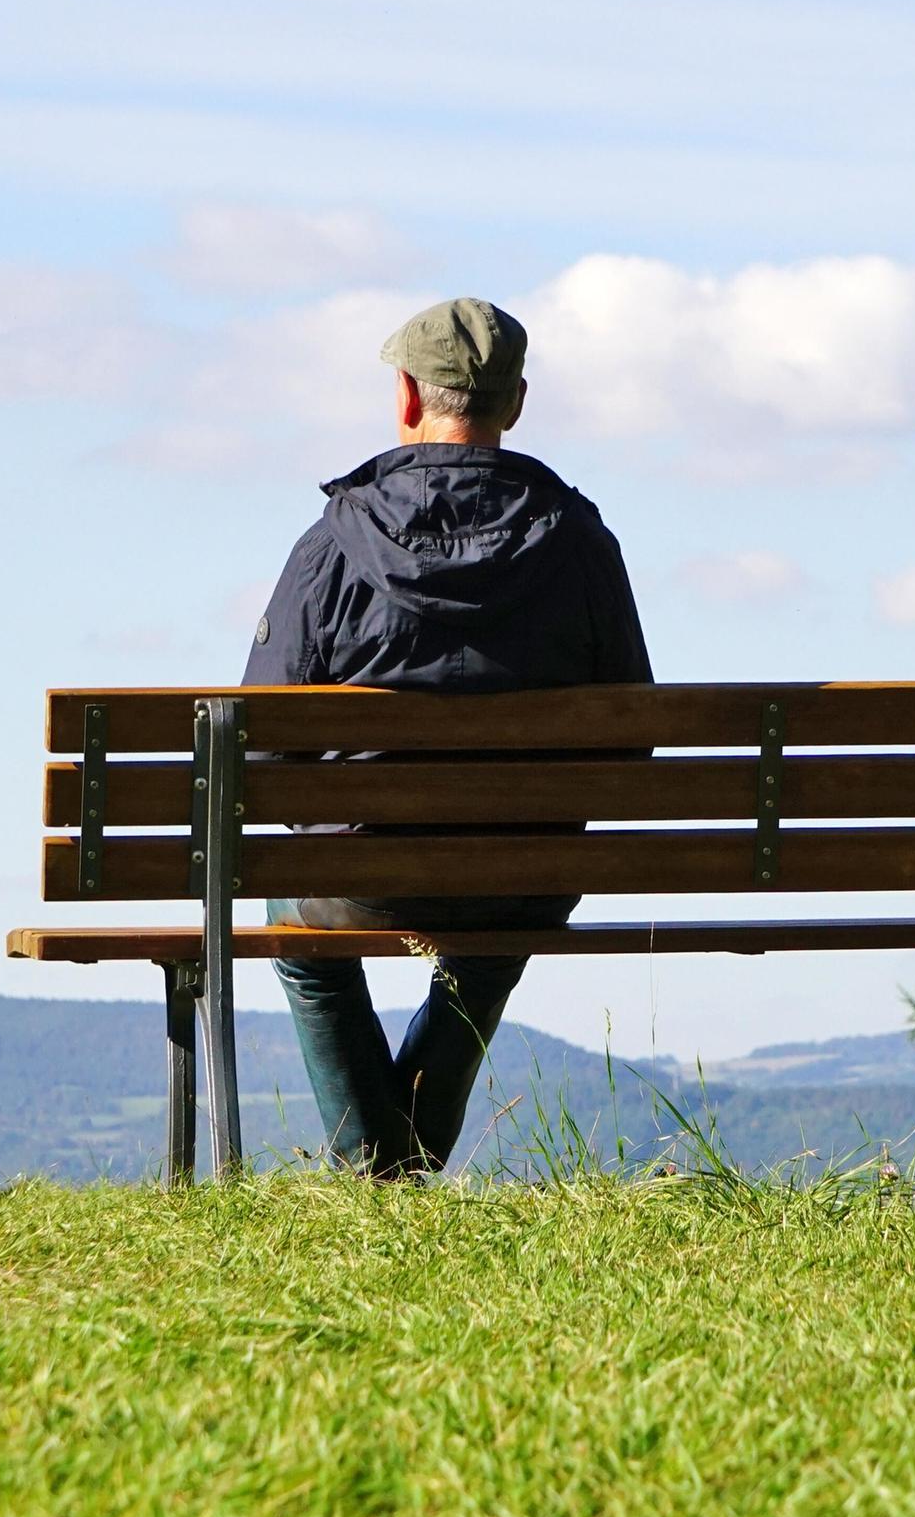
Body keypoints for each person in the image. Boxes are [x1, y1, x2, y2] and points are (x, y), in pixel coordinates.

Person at [243, 296, 651, 1175]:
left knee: (293, 926)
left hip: (364, 874)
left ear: (405, 396)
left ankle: (379, 1167)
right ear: (516, 402)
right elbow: (632, 741)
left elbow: (265, 744)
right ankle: (400, 1164)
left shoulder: (334, 545)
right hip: (524, 877)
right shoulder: (581, 543)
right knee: (499, 926)